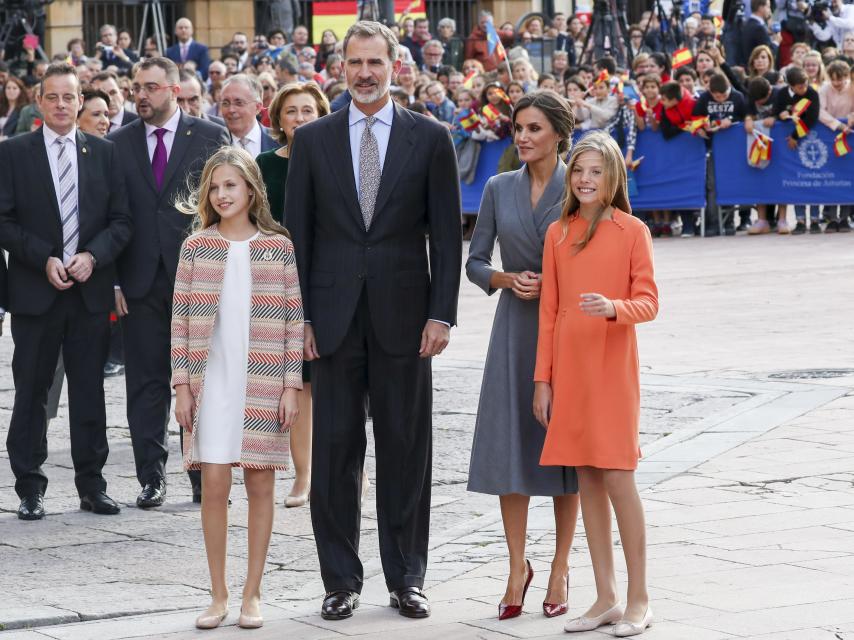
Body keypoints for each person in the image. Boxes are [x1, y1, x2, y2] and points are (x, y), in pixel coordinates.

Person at [285, 20, 462, 622]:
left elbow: (446, 233)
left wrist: (443, 313)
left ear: (395, 66)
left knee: (406, 448)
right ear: (340, 68)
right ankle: (339, 579)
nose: (364, 73)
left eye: (375, 63)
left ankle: (407, 576)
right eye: (354, 62)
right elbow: (298, 240)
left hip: (407, 319)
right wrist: (300, 317)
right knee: (334, 451)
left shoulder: (431, 137)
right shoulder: (312, 139)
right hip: (331, 322)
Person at [171, 146, 302, 630]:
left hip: (263, 379)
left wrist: (291, 387)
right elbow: (180, 322)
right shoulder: (196, 247)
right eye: (215, 186)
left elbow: (291, 322)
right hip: (211, 382)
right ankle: (218, 593)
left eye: (231, 184)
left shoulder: (278, 246)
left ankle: (253, 592)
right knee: (213, 483)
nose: (222, 194)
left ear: (251, 188)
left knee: (261, 482)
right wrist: (181, 385)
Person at [534, 130, 658, 637]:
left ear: (612, 178)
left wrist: (614, 309)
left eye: (595, 171)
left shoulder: (633, 231)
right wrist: (542, 379)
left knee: (618, 477)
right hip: (570, 369)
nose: (585, 179)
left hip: (612, 368)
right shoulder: (557, 233)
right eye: (579, 171)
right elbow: (548, 314)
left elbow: (649, 302)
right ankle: (605, 594)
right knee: (586, 478)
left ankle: (638, 598)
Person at [0, 62, 133, 521]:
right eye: (52, 96)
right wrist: (44, 258)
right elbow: (3, 221)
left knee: (90, 392)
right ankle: (29, 487)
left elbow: (122, 222)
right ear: (39, 101)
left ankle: (92, 485)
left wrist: (92, 256)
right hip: (36, 293)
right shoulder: (13, 153)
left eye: (69, 97)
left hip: (88, 292)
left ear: (81, 102)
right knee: (32, 390)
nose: (61, 105)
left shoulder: (105, 153)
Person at [466, 90, 579, 622]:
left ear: (558, 131)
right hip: (513, 328)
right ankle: (516, 566)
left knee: (563, 455)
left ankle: (559, 567)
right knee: (511, 449)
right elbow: (475, 260)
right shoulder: (498, 186)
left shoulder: (580, 186)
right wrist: (505, 278)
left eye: (534, 128)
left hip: (568, 330)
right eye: (518, 128)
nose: (524, 137)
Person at [108, 57, 230, 508]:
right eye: (136, 87)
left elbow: (223, 207)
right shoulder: (117, 143)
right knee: (144, 382)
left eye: (152, 87)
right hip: (138, 282)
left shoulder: (210, 135)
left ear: (174, 91)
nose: (141, 95)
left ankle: (201, 475)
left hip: (197, 281)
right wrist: (115, 281)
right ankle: (151, 478)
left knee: (199, 381)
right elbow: (109, 215)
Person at [256, 82, 329, 509]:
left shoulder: (337, 158)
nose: (299, 118)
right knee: (298, 384)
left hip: (330, 279)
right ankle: (304, 475)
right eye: (291, 111)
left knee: (335, 382)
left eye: (307, 110)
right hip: (280, 282)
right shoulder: (265, 165)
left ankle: (350, 471)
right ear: (278, 119)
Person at [221, 74, 280, 157]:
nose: (231, 110)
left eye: (239, 103)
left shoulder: (280, 142)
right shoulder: (212, 143)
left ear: (257, 107)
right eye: (225, 103)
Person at [0, 75, 29, 140]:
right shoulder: (1, 107)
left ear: (20, 91)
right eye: (8, 88)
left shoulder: (25, 109)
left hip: (13, 145)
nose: (11, 91)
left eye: (14, 88)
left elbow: (26, 132)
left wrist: (6, 137)